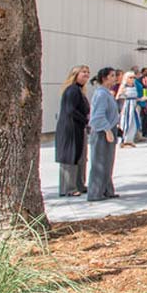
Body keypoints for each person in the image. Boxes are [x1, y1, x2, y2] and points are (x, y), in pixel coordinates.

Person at [86, 67, 121, 201]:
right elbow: (98, 116)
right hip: (102, 131)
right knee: (100, 162)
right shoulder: (101, 94)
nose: (115, 78)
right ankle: (95, 192)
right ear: (105, 78)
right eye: (112, 76)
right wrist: (107, 130)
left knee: (107, 161)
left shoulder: (106, 93)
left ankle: (106, 190)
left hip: (109, 128)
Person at [56, 65, 90, 197]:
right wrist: (85, 120)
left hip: (77, 127)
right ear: (75, 74)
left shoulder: (78, 90)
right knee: (70, 156)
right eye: (83, 72)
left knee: (79, 156)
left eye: (87, 72)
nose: (86, 75)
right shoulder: (72, 90)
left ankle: (78, 184)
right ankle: (68, 188)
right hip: (70, 128)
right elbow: (71, 110)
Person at [116, 69, 141, 146]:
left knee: (133, 123)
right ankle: (123, 140)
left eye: (133, 77)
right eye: (130, 77)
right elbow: (118, 96)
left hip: (133, 106)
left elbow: (135, 97)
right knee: (125, 123)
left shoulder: (134, 86)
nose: (132, 79)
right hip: (126, 106)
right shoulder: (123, 86)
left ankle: (130, 140)